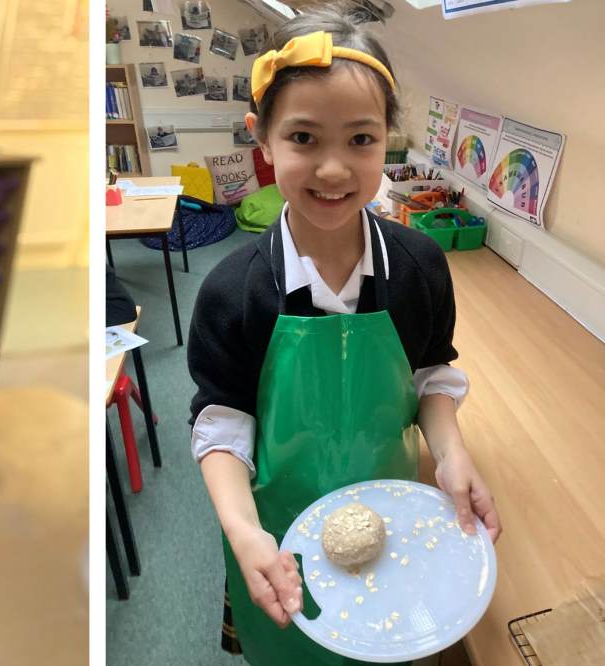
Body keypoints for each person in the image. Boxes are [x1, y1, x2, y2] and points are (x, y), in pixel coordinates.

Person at [188, 8, 500, 665]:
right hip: (273, 524)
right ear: (263, 141)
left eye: (360, 140)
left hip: (392, 508)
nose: (333, 169)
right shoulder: (233, 292)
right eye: (304, 136)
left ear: (388, 138)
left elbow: (430, 377)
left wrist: (449, 452)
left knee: (381, 636)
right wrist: (243, 530)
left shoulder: (418, 268)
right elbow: (221, 425)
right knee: (294, 644)